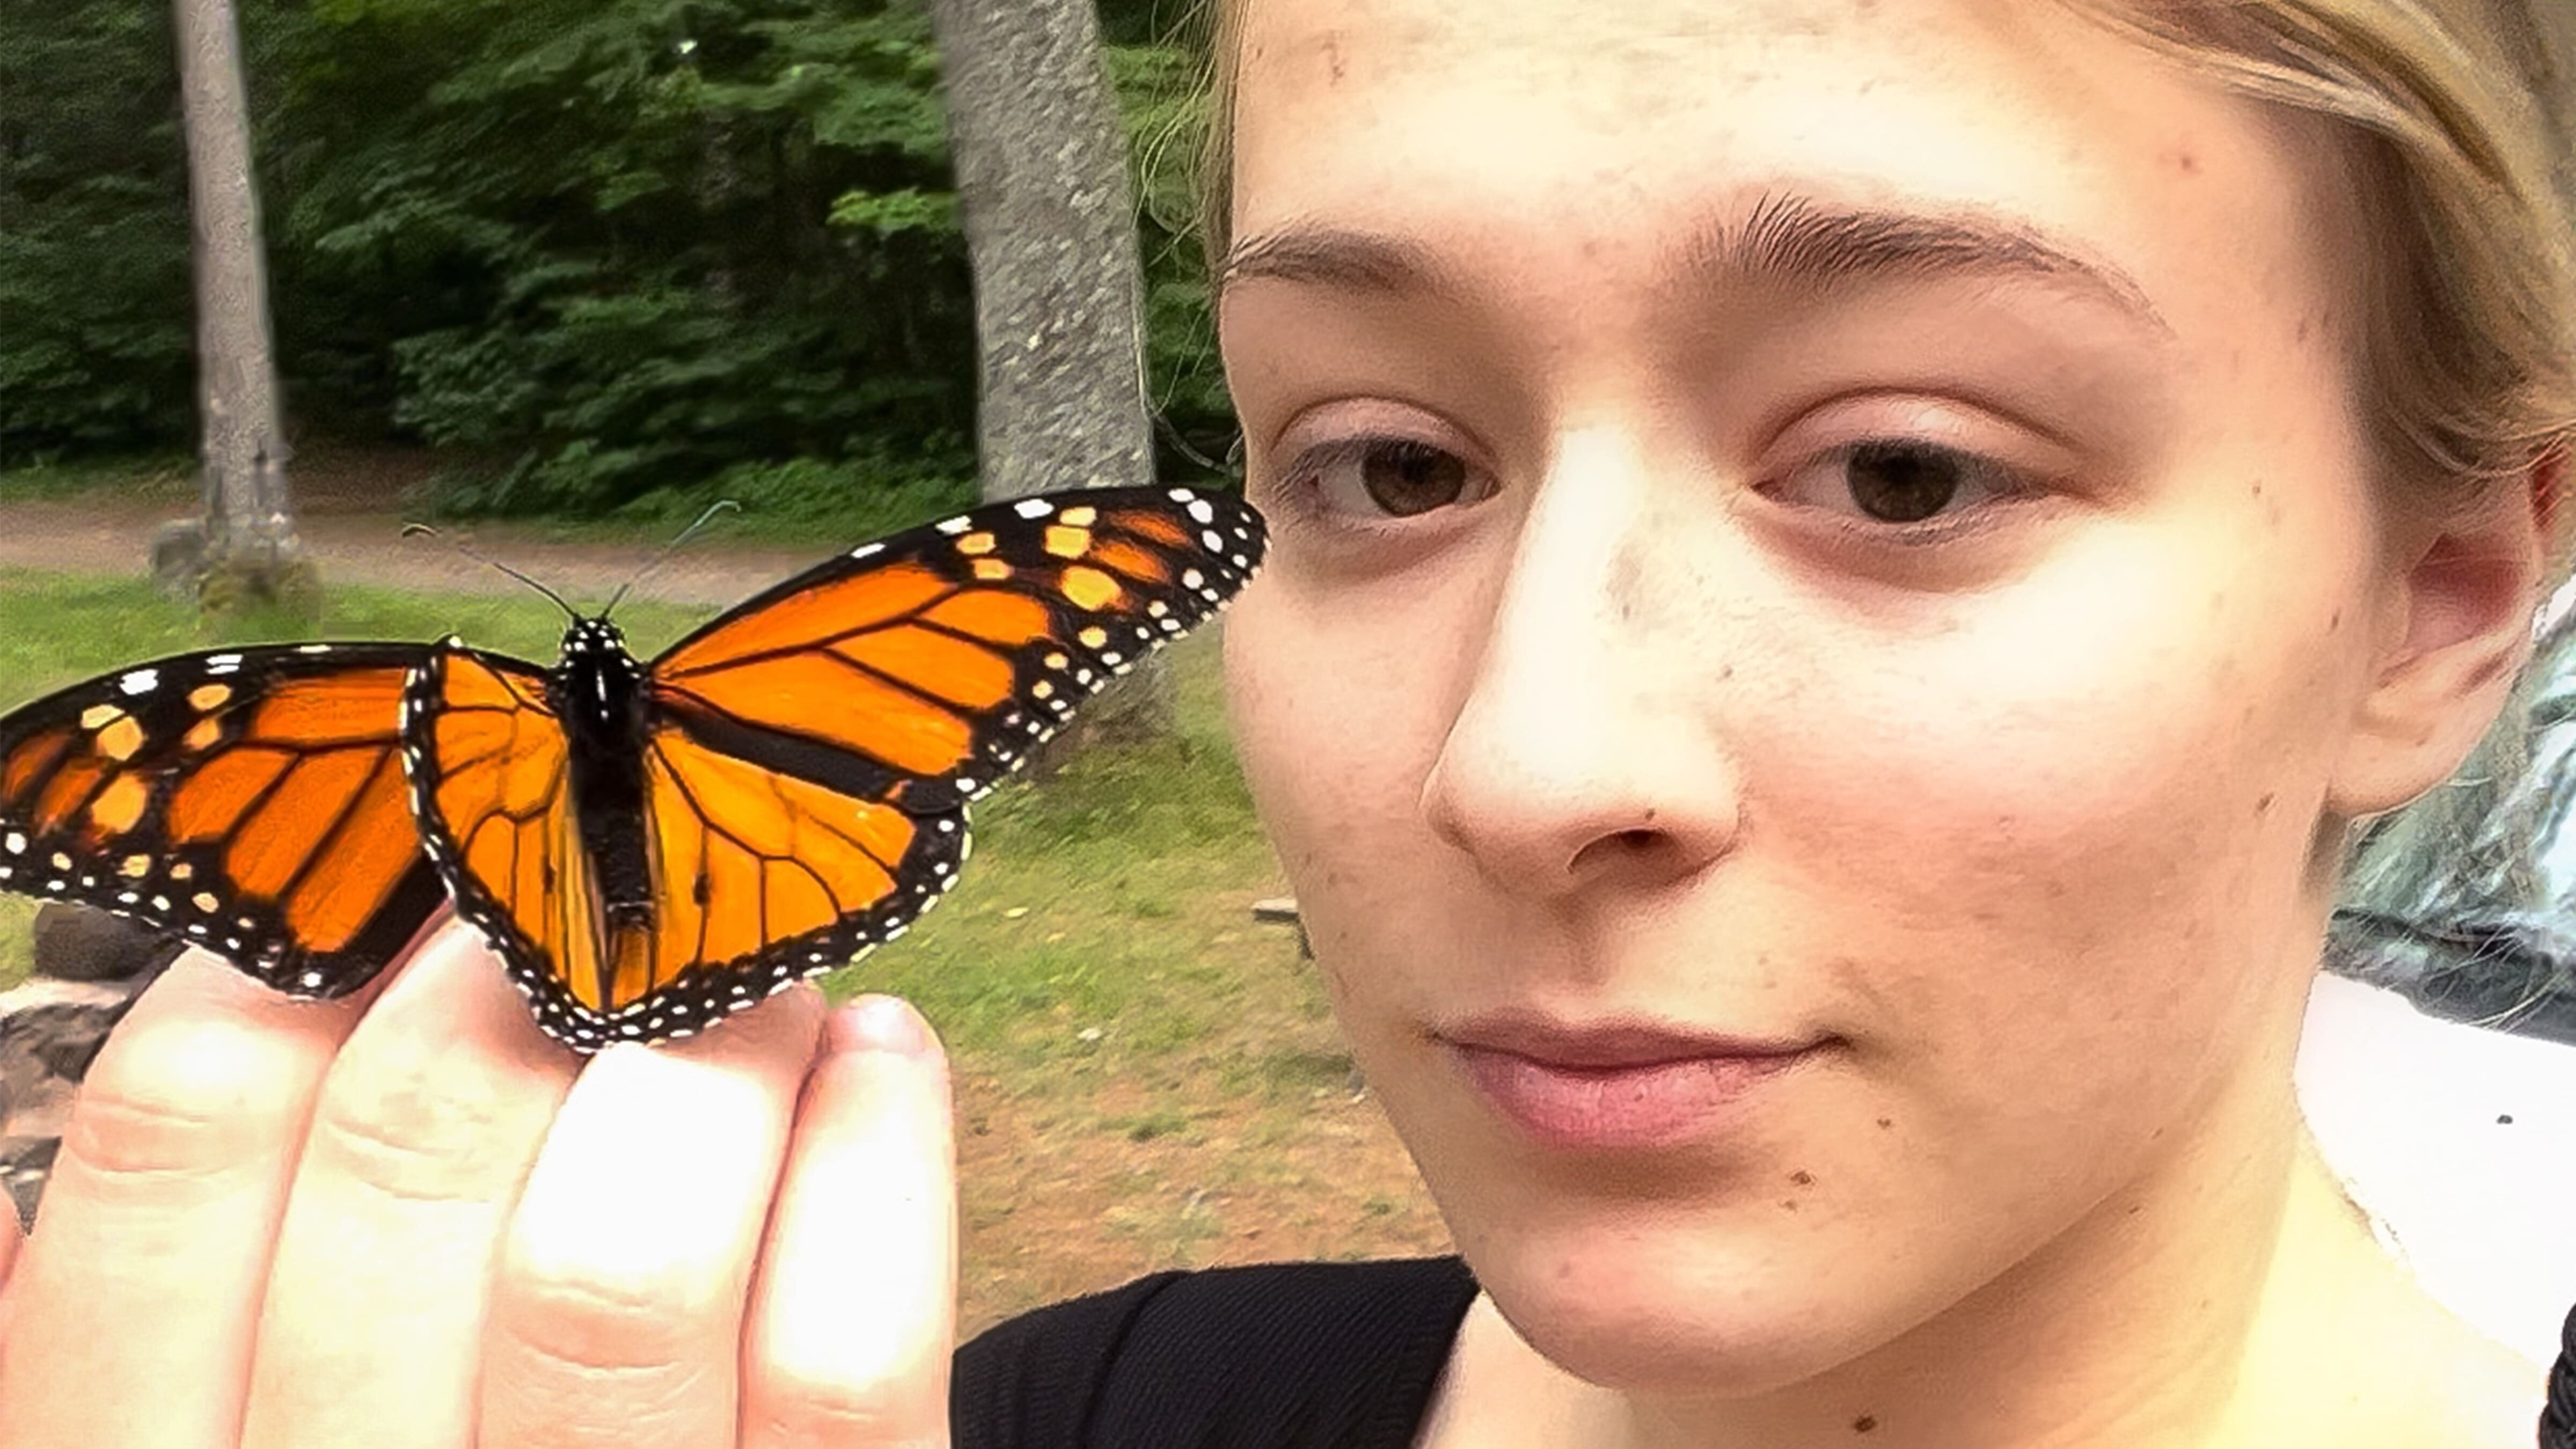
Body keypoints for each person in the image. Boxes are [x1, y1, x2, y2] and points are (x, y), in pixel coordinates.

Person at [2, 0, 2572, 1445]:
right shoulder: (1025, 1440)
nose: (1522, 760)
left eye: (1907, 466)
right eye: (1388, 464)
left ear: (2444, 597)